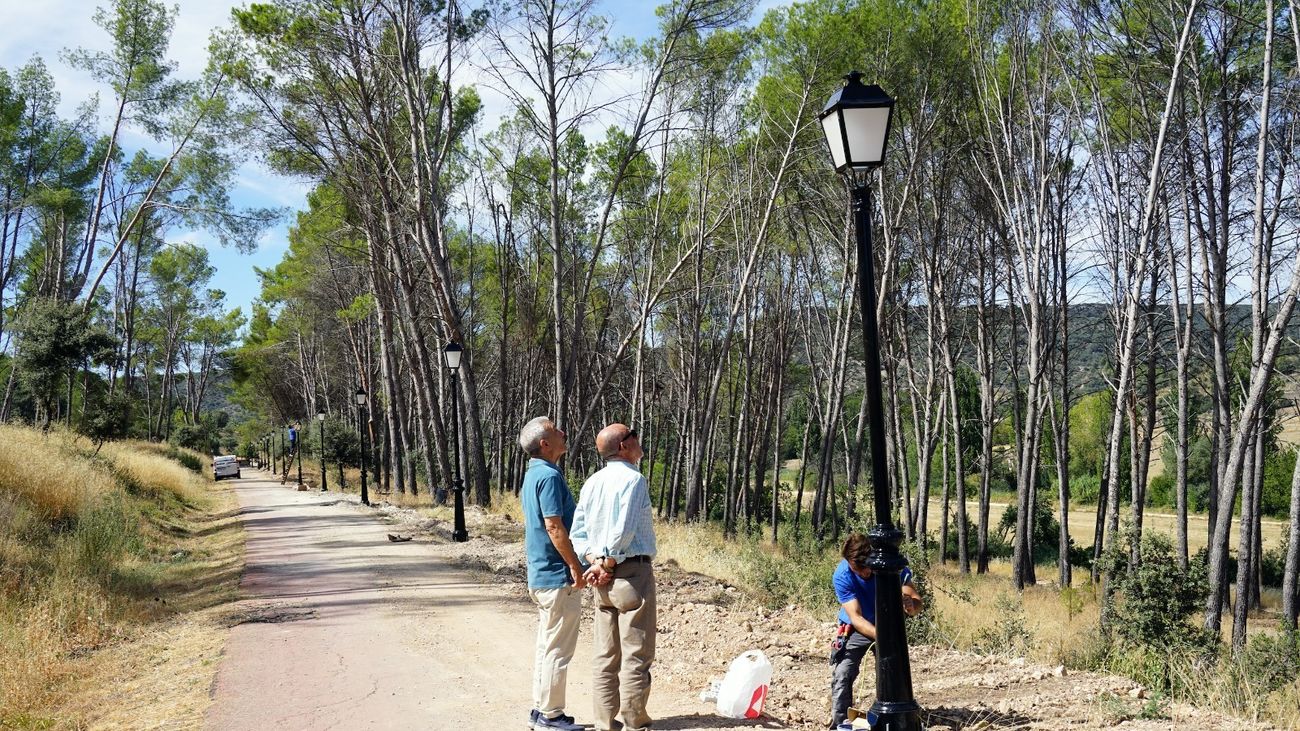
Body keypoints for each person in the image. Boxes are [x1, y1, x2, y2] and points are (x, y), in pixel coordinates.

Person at [571, 423, 657, 731]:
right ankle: (635, 721)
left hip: (601, 578)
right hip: (630, 573)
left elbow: (577, 532)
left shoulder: (592, 482)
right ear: (623, 445)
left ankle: (604, 722)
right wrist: (606, 563)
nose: (638, 439)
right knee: (637, 650)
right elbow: (625, 529)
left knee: (605, 653)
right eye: (635, 435)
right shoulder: (634, 480)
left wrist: (594, 561)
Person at [518, 416, 586, 731]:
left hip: (540, 574)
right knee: (558, 648)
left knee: (547, 645)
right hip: (557, 575)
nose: (563, 432)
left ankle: (541, 709)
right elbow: (554, 525)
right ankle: (552, 716)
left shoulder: (533, 475)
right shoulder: (549, 476)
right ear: (545, 444)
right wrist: (574, 565)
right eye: (556, 430)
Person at [829, 533, 924, 729]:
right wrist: (885, 638)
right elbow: (856, 618)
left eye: (865, 568)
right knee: (843, 673)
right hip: (857, 628)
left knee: (893, 672)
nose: (863, 573)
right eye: (857, 569)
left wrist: (911, 605)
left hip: (888, 625)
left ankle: (898, 716)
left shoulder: (890, 565)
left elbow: (916, 602)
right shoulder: (842, 575)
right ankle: (842, 722)